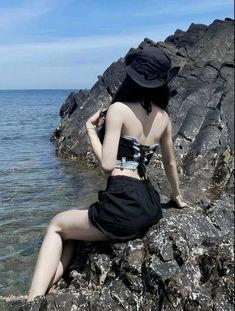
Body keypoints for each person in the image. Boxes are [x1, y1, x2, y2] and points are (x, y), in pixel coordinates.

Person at [27, 45, 189, 302]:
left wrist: (91, 130)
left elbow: (107, 163)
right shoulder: (164, 118)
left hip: (123, 205)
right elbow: (170, 164)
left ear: (132, 78)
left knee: (57, 224)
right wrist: (177, 197)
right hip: (148, 205)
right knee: (71, 237)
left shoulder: (119, 110)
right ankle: (44, 292)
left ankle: (30, 302)